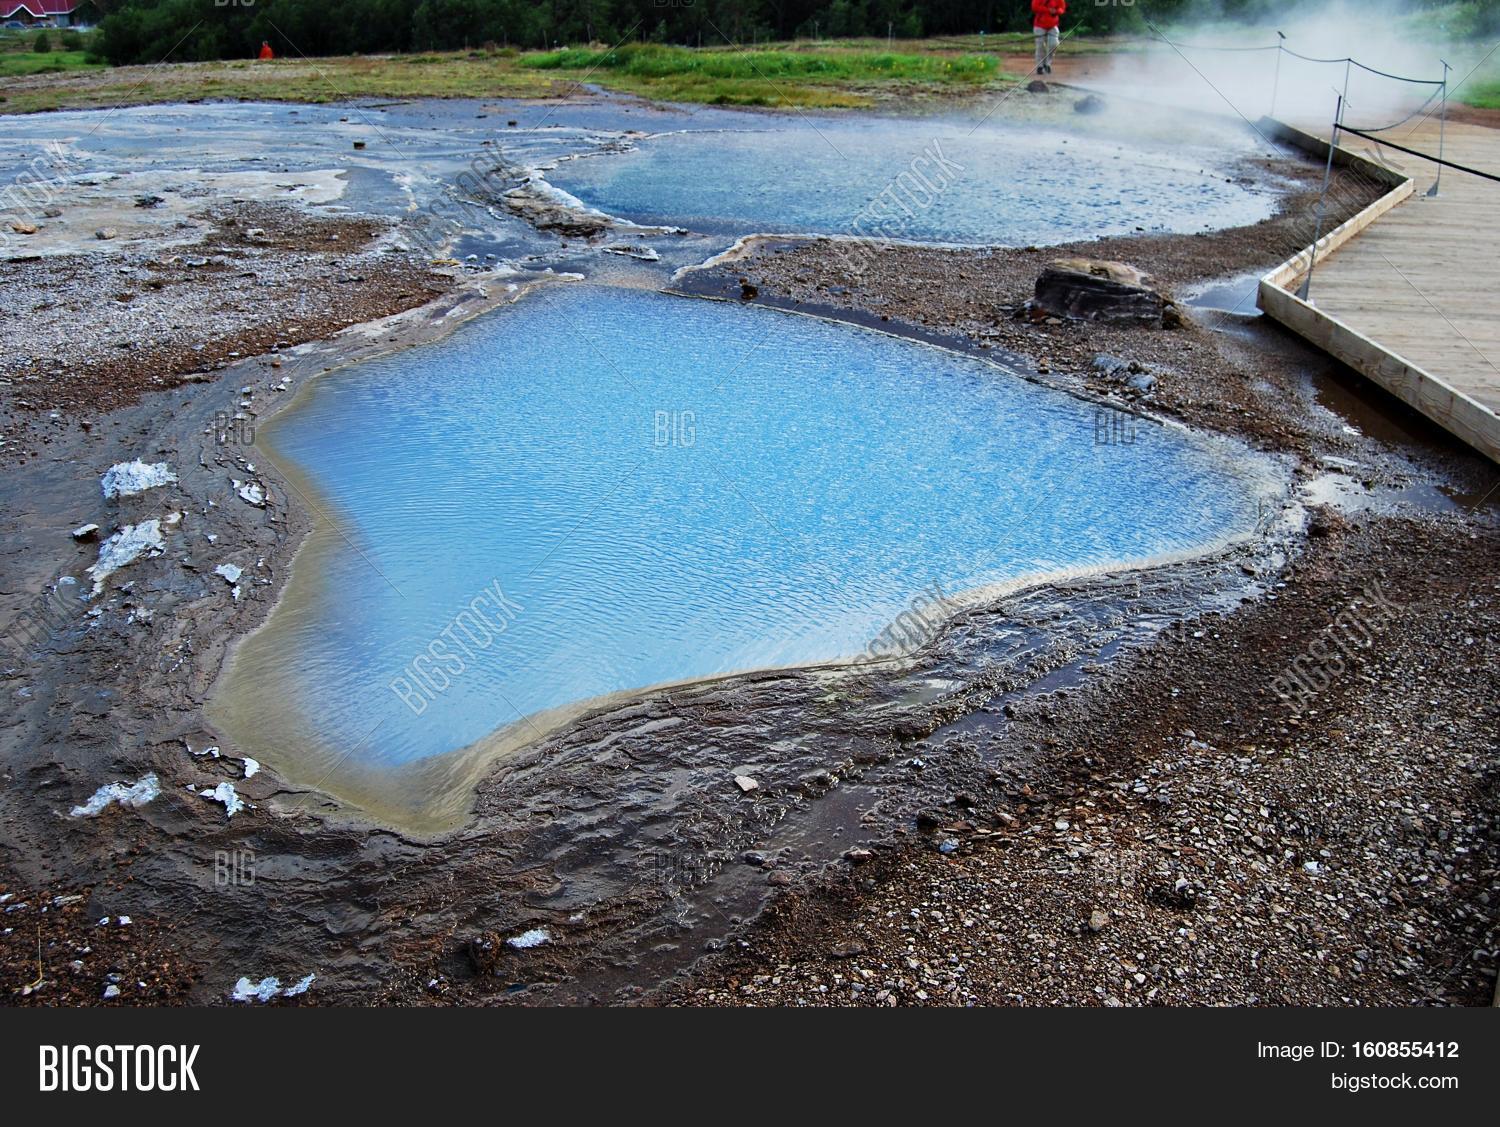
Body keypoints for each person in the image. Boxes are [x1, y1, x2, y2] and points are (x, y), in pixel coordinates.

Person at [1032, 0, 1065, 75]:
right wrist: (1048, 10)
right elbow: (1034, 7)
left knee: (1054, 44)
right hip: (1039, 25)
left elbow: (1062, 8)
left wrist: (1057, 11)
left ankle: (1047, 63)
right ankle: (1040, 66)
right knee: (1040, 46)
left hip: (1053, 25)